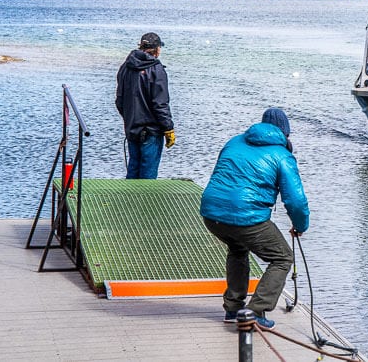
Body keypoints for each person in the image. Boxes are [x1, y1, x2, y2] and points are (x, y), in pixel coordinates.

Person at [200, 108, 310, 330]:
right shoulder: (282, 155)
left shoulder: (234, 141)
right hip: (245, 215)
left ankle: (233, 309)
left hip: (211, 212)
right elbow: (295, 200)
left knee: (238, 248)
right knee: (282, 258)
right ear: (285, 134)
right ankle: (255, 311)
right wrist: (300, 226)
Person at [116, 32, 175, 179]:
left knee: (133, 170)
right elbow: (160, 104)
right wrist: (168, 128)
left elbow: (119, 100)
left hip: (132, 128)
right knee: (148, 178)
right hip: (151, 131)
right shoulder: (156, 69)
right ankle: (144, 202)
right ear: (157, 49)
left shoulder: (126, 67)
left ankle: (128, 201)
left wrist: (130, 119)